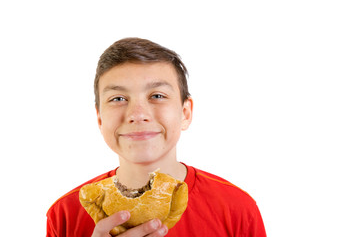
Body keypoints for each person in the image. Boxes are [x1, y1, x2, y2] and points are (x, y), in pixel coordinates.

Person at [46, 37, 267, 237]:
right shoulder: (65, 214)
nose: (137, 114)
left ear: (185, 113)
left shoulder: (236, 208)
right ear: (100, 119)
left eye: (157, 96)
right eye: (118, 98)